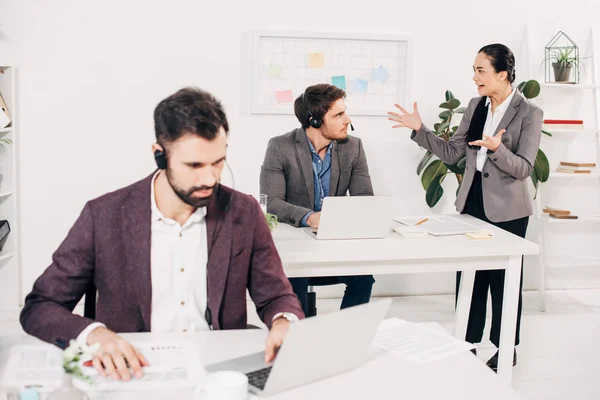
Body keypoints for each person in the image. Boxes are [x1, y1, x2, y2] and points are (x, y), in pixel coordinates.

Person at [20, 87, 304, 381]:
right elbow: (41, 307)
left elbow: (276, 296)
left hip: (218, 375)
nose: (210, 178)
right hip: (133, 373)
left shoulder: (243, 211)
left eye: (218, 162)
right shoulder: (104, 215)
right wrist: (95, 334)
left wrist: (284, 322)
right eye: (194, 165)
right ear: (159, 155)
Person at [388, 44, 542, 371]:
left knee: (503, 282)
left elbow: (525, 169)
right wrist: (420, 130)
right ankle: (467, 343)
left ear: (502, 74)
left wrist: (498, 149)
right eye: (474, 70)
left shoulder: (529, 114)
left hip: (509, 210)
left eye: (480, 70)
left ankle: (505, 347)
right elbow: (451, 153)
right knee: (469, 276)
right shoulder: (476, 106)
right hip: (472, 202)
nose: (474, 77)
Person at [260, 83, 375, 316]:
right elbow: (272, 201)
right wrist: (310, 218)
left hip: (335, 242)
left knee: (364, 277)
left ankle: (347, 335)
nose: (348, 120)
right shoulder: (280, 147)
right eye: (339, 115)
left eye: (345, 112)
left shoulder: (353, 147)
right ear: (315, 121)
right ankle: (300, 341)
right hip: (296, 243)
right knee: (295, 284)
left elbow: (364, 199)